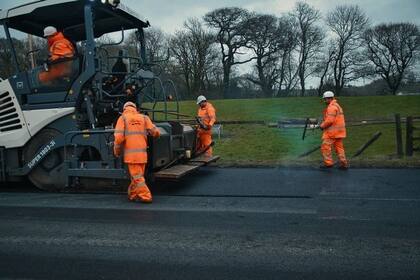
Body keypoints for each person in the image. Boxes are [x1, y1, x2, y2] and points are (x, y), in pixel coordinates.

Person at [113, 101, 160, 203]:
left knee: (137, 178)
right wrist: (155, 135)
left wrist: (117, 151)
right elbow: (155, 132)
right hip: (142, 155)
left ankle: (146, 196)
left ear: (124, 109)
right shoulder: (144, 118)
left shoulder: (123, 118)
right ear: (135, 108)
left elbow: (118, 138)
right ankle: (133, 195)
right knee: (137, 176)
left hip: (131, 155)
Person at [318, 91, 348, 170]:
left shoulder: (331, 107)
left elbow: (329, 121)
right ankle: (343, 164)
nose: (324, 101)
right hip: (339, 132)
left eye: (325, 99)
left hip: (332, 133)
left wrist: (322, 126)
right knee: (339, 148)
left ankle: (328, 164)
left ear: (330, 98)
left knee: (325, 146)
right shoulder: (337, 106)